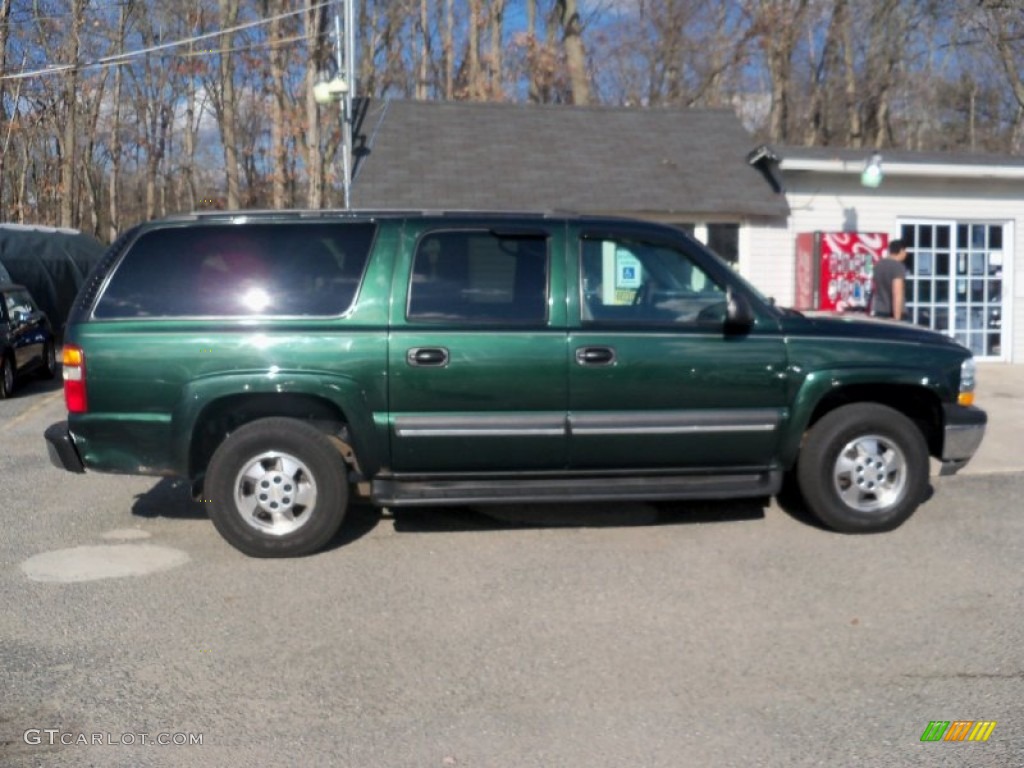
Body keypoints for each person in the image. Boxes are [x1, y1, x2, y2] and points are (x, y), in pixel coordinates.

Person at [871, 238, 908, 321]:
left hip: (879, 310)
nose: (906, 254)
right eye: (905, 251)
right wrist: (897, 319)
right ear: (901, 251)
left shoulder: (878, 265)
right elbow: (897, 293)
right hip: (892, 313)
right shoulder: (898, 267)